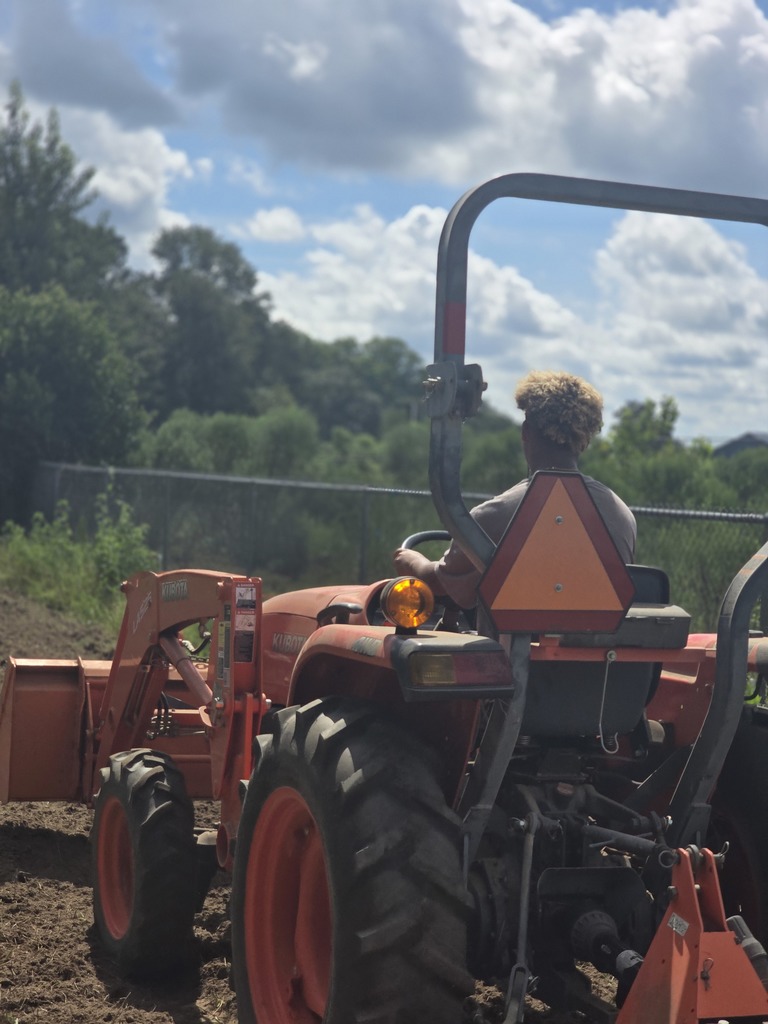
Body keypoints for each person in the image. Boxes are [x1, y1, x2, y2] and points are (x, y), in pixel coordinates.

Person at [392, 370, 637, 610]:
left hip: (514, 648)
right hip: (600, 647)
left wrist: (411, 561)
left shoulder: (494, 515)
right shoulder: (620, 514)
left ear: (526, 432)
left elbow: (440, 582)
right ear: (585, 438)